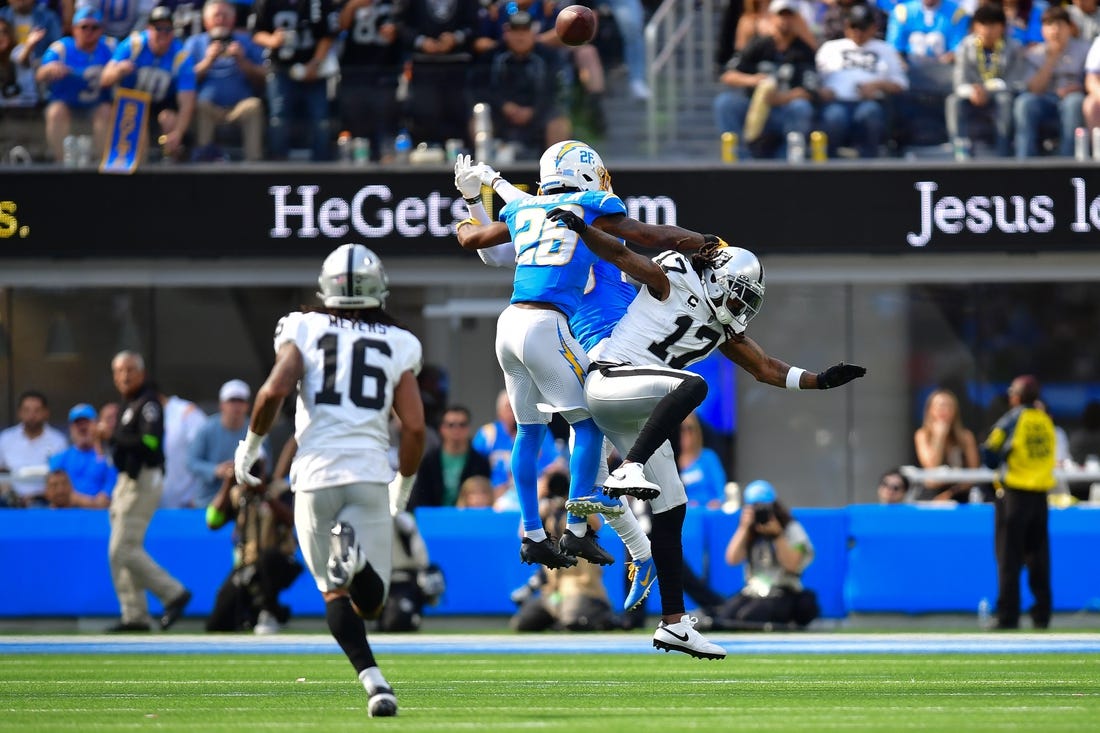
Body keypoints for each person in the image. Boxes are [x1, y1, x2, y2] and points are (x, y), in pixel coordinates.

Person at [546, 204, 865, 657]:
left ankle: (673, 622)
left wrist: (820, 380)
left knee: (673, 505)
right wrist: (582, 229)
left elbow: (767, 368)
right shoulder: (673, 280)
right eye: (737, 292)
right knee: (696, 385)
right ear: (715, 277)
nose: (739, 304)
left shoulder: (723, 327)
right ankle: (627, 467)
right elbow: (623, 257)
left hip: (641, 412)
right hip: (612, 379)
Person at [233, 243, 426, 717]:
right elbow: (416, 427)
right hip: (367, 473)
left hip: (315, 475)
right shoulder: (400, 341)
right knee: (372, 600)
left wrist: (250, 448)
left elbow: (274, 389)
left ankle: (375, 684)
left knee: (333, 592)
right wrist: (402, 486)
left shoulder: (303, 325)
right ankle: (376, 680)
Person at [106, 350, 192, 632]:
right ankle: (134, 615)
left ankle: (173, 593)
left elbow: (152, 443)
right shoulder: (127, 405)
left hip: (144, 478)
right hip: (126, 480)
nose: (124, 376)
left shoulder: (148, 404)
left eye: (130, 370)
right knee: (119, 551)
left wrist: (113, 436)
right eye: (119, 371)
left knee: (123, 548)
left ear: (142, 374)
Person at [981, 374, 1056, 630]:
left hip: (1014, 495)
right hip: (1040, 497)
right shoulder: (1045, 420)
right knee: (1039, 557)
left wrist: (997, 457)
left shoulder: (1013, 418)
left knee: (1009, 558)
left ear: (1016, 395)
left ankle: (1008, 616)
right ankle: (1042, 614)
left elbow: (990, 452)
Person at [712, 0, 819, 160]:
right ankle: (740, 158)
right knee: (725, 102)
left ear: (797, 19)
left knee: (801, 107)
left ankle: (789, 158)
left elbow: (810, 91)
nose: (785, 20)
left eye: (789, 16)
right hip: (754, 107)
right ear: (772, 17)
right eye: (780, 15)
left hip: (784, 111)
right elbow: (728, 75)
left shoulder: (803, 50)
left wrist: (782, 98)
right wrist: (753, 80)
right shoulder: (759, 44)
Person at [205, 464, 302, 634]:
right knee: (217, 623)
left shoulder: (281, 489)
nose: (251, 476)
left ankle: (269, 612)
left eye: (255, 469)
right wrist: (228, 483)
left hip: (280, 563)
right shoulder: (237, 494)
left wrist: (264, 493)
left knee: (267, 559)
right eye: (247, 470)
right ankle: (269, 612)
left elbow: (291, 520)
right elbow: (212, 522)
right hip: (246, 564)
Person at [510, 478, 615, 632]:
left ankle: (602, 616)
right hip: (552, 590)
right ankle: (560, 619)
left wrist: (574, 497)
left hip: (580, 587)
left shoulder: (578, 514)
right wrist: (537, 499)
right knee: (522, 623)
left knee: (571, 621)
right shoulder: (548, 515)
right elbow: (524, 534)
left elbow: (595, 524)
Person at [712, 479, 818, 629]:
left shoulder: (791, 529)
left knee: (749, 617)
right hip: (754, 590)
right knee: (727, 617)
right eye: (755, 507)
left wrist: (778, 536)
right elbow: (732, 559)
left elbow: (793, 565)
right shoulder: (749, 531)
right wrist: (744, 528)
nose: (760, 512)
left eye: (764, 507)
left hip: (783, 590)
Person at [99, 6, 197, 161]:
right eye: (158, 28)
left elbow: (187, 101)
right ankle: (136, 170)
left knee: (170, 120)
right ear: (149, 29)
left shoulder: (181, 56)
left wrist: (178, 132)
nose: (163, 33)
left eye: (168, 29)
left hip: (162, 103)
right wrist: (118, 71)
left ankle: (172, 165)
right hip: (131, 102)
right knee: (134, 122)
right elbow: (104, 79)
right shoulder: (133, 45)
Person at [816, 4, 909, 157]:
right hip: (836, 102)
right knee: (834, 117)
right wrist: (822, 92)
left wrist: (879, 85)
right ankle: (829, 167)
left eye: (863, 27)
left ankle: (868, 166)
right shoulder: (830, 47)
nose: (857, 32)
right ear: (846, 26)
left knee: (869, 113)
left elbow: (901, 84)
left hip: (871, 103)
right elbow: (814, 78)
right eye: (853, 26)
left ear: (873, 27)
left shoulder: (886, 49)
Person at [251, 0, 337, 161]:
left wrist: (315, 64)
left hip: (314, 68)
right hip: (280, 68)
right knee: (279, 117)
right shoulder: (266, 3)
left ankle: (322, 164)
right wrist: (272, 40)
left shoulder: (318, 3)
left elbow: (328, 34)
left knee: (320, 118)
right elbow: (256, 32)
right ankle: (278, 162)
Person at [183, 0, 266, 161]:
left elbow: (263, 78)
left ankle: (254, 163)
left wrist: (243, 61)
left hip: (239, 107)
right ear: (206, 21)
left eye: (225, 16)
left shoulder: (246, 41)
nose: (220, 20)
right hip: (208, 107)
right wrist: (208, 61)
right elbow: (184, 81)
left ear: (233, 20)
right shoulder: (194, 43)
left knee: (254, 106)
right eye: (216, 16)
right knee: (200, 106)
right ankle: (202, 162)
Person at [483, 9, 570, 159]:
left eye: (525, 31)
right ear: (506, 33)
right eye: (515, 31)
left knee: (559, 122)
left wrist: (534, 110)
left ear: (533, 33)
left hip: (539, 114)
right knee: (479, 117)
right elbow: (482, 87)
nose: (520, 36)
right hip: (501, 114)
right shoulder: (493, 56)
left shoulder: (548, 56)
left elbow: (555, 90)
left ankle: (557, 170)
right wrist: (504, 105)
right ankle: (483, 166)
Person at [36, 6, 115, 163]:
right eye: (84, 27)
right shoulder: (61, 48)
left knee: (107, 111)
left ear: (101, 31)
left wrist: (116, 72)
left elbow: (123, 65)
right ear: (74, 29)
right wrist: (50, 69)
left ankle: (102, 162)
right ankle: (59, 162)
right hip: (67, 104)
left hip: (96, 105)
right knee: (55, 112)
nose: (89, 31)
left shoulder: (110, 47)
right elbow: (40, 75)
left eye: (94, 27)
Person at [945, 4, 1024, 157]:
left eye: (993, 25)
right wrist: (972, 91)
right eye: (983, 25)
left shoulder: (1014, 47)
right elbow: (959, 80)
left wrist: (987, 90)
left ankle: (1003, 152)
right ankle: (960, 152)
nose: (987, 30)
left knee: (1005, 101)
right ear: (975, 26)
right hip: (971, 94)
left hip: (1001, 93)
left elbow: (1016, 81)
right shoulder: (965, 46)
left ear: (1002, 27)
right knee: (953, 101)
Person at [1014, 5, 1088, 158]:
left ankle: (1067, 162)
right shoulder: (1034, 53)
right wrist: (1051, 58)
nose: (1055, 30)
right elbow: (1033, 88)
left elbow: (1090, 82)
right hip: (1045, 100)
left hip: (1072, 98)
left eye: (1060, 24)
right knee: (1024, 103)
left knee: (1073, 103)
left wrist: (1076, 88)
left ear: (1070, 28)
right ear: (1042, 30)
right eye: (1049, 25)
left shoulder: (1084, 49)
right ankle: (1024, 163)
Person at [337, 0, 402, 163]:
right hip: (354, 70)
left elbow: (408, 25)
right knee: (356, 121)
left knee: (386, 119)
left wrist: (396, 30)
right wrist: (352, 6)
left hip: (386, 70)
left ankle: (389, 161)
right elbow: (338, 27)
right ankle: (357, 163)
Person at [406, 405, 491, 509]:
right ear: (442, 429)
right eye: (451, 425)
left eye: (462, 424)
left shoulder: (480, 462)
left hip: (468, 519)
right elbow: (420, 496)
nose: (456, 429)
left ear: (468, 428)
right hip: (434, 518)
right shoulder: (429, 461)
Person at [188, 378, 256, 507]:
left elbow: (266, 466)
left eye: (241, 401)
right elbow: (191, 462)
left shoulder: (255, 431)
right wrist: (216, 470)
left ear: (247, 406)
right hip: (208, 500)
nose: (236, 406)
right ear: (222, 404)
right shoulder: (206, 429)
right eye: (232, 401)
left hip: (244, 500)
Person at [378, 510, 445, 631]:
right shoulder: (371, 518)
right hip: (381, 577)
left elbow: (421, 560)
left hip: (404, 581)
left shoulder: (401, 519)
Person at [912, 387, 981, 502]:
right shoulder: (922, 434)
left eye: (948, 406)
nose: (943, 410)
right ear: (930, 410)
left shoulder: (966, 437)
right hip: (931, 494)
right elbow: (931, 466)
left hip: (959, 493)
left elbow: (973, 474)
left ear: (955, 410)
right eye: (939, 405)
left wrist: (951, 493)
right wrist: (939, 437)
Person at [0, 390, 68, 505]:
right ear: (19, 413)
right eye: (26, 410)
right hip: (10, 502)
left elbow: (62, 477)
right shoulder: (6, 438)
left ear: (46, 412)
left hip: (46, 501)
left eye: (37, 410)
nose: (31, 415)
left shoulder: (58, 441)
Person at [47, 402, 118, 501]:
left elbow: (106, 500)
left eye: (86, 423)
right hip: (66, 515)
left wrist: (75, 499)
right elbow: (54, 496)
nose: (82, 427)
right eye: (77, 424)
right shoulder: (58, 459)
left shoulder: (110, 458)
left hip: (99, 515)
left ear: (96, 425)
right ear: (71, 428)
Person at [159, 390, 207, 508]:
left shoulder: (187, 412)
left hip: (188, 506)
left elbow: (206, 453)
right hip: (155, 507)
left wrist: (198, 495)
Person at [677, 412, 726, 510]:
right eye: (681, 429)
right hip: (683, 515)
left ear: (697, 431)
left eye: (689, 429)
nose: (685, 434)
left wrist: (716, 503)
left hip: (707, 513)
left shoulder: (708, 457)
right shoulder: (672, 461)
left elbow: (720, 491)